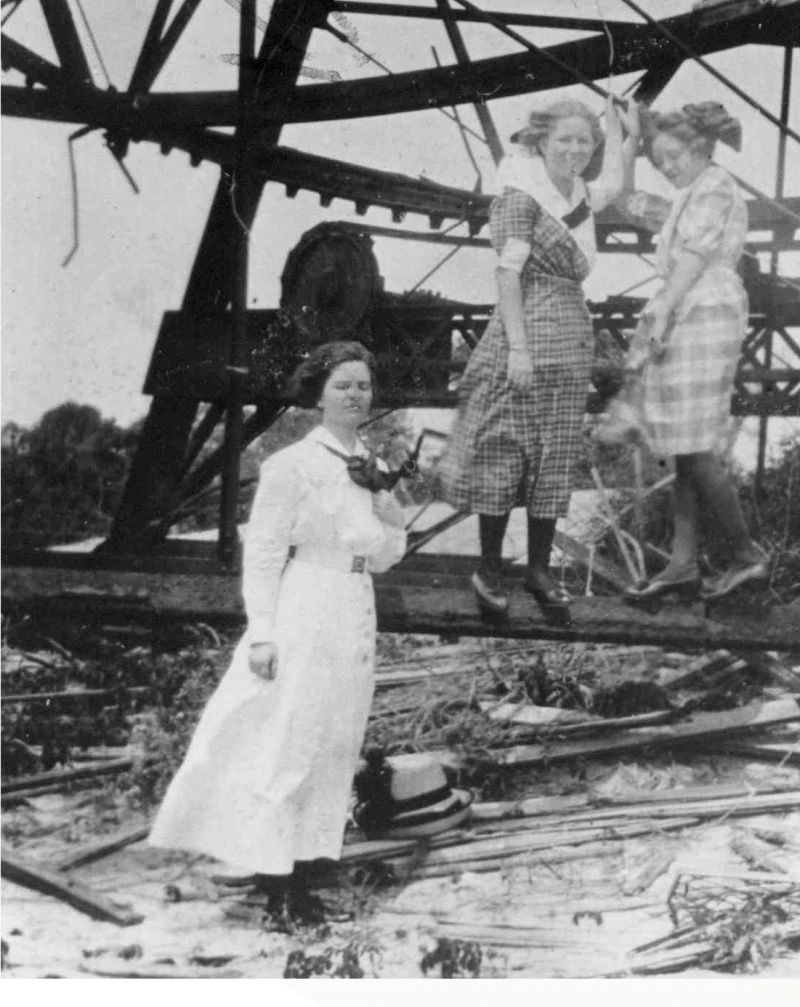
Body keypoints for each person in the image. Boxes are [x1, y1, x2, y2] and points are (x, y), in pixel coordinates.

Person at [148, 340, 407, 908]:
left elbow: (388, 556)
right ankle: (276, 880)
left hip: (356, 602)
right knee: (292, 733)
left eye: (363, 385)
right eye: (342, 385)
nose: (355, 395)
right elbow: (264, 551)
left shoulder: (375, 467)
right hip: (306, 600)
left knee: (338, 736)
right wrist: (262, 630)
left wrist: (386, 503)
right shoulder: (290, 466)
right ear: (317, 393)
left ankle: (312, 861)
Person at [437, 93, 639, 619]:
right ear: (543, 141)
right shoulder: (521, 194)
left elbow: (615, 183)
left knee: (556, 449)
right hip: (524, 325)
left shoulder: (578, 193)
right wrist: (519, 350)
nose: (575, 150)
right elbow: (506, 274)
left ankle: (539, 569)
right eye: (565, 140)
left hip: (571, 329)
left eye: (584, 142)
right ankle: (489, 567)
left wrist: (621, 133)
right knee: (506, 443)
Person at [607, 102, 767, 603]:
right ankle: (682, 563)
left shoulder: (716, 185)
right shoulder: (686, 196)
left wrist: (662, 312)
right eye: (661, 161)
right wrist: (631, 146)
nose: (668, 167)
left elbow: (697, 254)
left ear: (700, 148)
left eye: (674, 156)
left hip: (704, 307)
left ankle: (747, 557)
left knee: (692, 442)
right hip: (688, 305)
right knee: (683, 440)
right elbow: (625, 201)